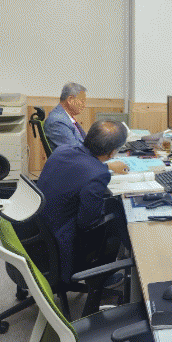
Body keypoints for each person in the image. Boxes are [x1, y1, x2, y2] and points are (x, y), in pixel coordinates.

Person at [36, 120, 131, 283]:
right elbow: (87, 222)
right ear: (112, 152)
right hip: (60, 243)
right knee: (116, 212)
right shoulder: (97, 174)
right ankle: (100, 277)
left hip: (38, 231)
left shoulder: (62, 150)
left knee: (109, 205)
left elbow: (79, 169)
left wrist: (107, 166)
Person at [45, 82, 128, 174]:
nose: (84, 105)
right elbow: (75, 156)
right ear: (70, 99)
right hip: (73, 172)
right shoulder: (57, 121)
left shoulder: (66, 117)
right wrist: (108, 166)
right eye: (82, 101)